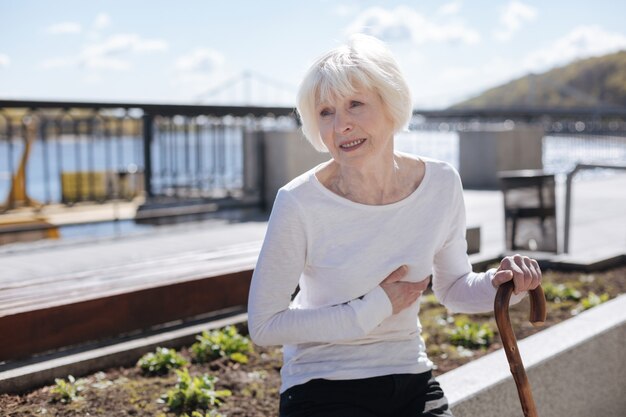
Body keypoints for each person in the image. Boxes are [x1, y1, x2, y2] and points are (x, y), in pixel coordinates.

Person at [247, 34, 542, 417]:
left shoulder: (440, 183)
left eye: (355, 104)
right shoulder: (299, 202)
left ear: (392, 103)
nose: (341, 126)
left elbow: (453, 288)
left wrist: (501, 285)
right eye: (326, 112)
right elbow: (265, 324)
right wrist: (373, 308)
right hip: (321, 383)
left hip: (410, 376)